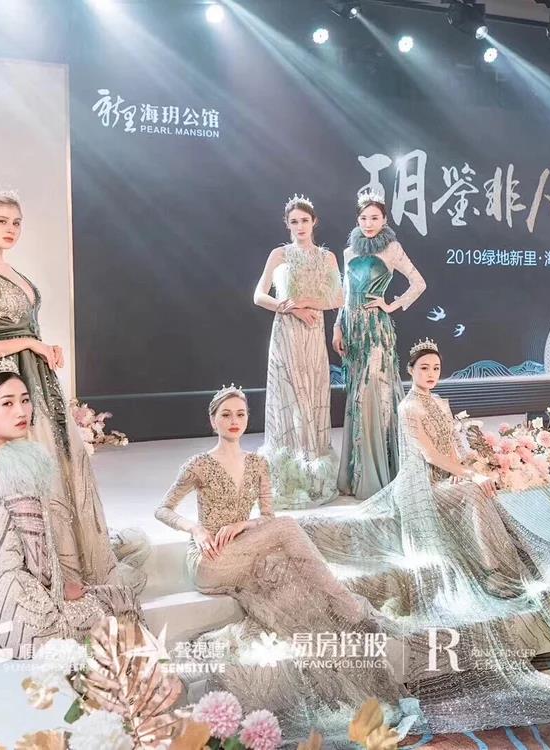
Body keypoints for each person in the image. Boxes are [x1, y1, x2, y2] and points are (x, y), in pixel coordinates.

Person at [300, 339, 550, 733]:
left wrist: (473, 467)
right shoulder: (408, 408)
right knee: (474, 493)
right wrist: (469, 474)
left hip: (448, 481)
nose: (431, 374)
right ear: (411, 371)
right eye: (424, 368)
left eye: (435, 368)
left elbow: (453, 447)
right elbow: (428, 456)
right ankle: (493, 573)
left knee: (482, 493)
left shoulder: (440, 403)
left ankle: (502, 566)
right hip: (420, 488)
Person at [155, 386, 418, 742]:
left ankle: (336, 626)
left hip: (243, 550)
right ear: (213, 421)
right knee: (290, 528)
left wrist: (243, 524)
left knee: (289, 562)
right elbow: (163, 509)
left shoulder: (257, 464)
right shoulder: (199, 464)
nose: (234, 421)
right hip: (209, 560)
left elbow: (267, 517)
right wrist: (196, 529)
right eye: (226, 415)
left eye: (240, 414)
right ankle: (346, 602)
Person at [0, 191, 128, 590]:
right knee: (26, 475)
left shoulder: (12, 271)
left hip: (37, 381)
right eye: (1, 221)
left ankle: (70, 563)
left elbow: (23, 326)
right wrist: (30, 345)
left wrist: (44, 346)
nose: (11, 229)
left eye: (16, 222)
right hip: (7, 384)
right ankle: (38, 573)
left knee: (58, 465)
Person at [0, 373, 138, 659]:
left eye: (25, 400)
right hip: (25, 613)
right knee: (122, 598)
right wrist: (60, 590)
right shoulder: (14, 466)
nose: (21, 411)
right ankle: (138, 681)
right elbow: (37, 556)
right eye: (7, 403)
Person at [333, 193, 426, 501]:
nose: (369, 223)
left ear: (384, 220)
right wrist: (337, 327)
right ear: (357, 220)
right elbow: (345, 293)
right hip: (353, 332)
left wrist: (391, 305)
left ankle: (383, 472)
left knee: (375, 394)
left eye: (374, 218)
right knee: (357, 398)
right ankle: (359, 473)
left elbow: (419, 283)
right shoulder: (349, 251)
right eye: (363, 218)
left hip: (376, 331)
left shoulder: (392, 248)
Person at [254, 195, 343, 508]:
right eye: (294, 221)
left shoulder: (327, 257)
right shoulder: (279, 254)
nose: (300, 226)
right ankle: (287, 476)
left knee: (312, 398)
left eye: (305, 220)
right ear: (287, 225)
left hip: (313, 334)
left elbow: (339, 298)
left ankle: (313, 473)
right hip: (286, 334)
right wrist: (291, 308)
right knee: (288, 400)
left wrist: (307, 304)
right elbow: (259, 295)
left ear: (314, 222)